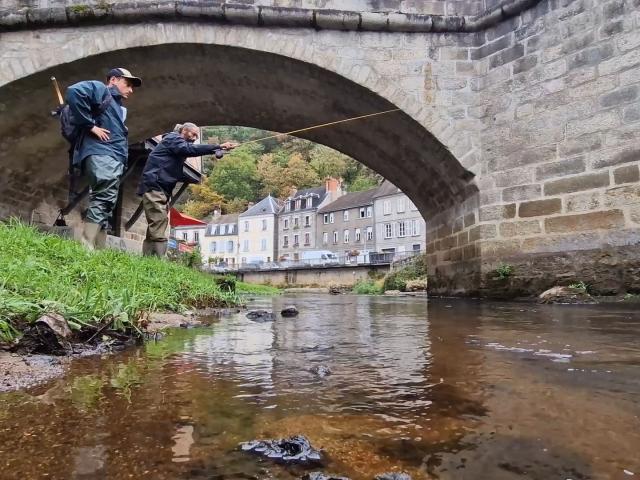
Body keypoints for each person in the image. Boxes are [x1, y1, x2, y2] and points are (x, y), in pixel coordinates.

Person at [65, 67, 142, 249]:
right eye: (127, 84)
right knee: (104, 196)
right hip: (102, 153)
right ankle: (86, 244)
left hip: (112, 156)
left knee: (108, 202)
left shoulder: (116, 105)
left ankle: (99, 248)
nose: (130, 90)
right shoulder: (101, 89)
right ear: (113, 80)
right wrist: (90, 125)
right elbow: (74, 91)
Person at [137, 123, 238, 257]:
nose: (195, 138)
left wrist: (217, 148)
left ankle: (149, 259)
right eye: (193, 134)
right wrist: (218, 146)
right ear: (184, 131)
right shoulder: (172, 139)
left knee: (158, 223)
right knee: (159, 221)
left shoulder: (174, 144)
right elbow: (189, 149)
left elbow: (189, 149)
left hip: (161, 188)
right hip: (155, 186)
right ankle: (157, 259)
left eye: (197, 135)